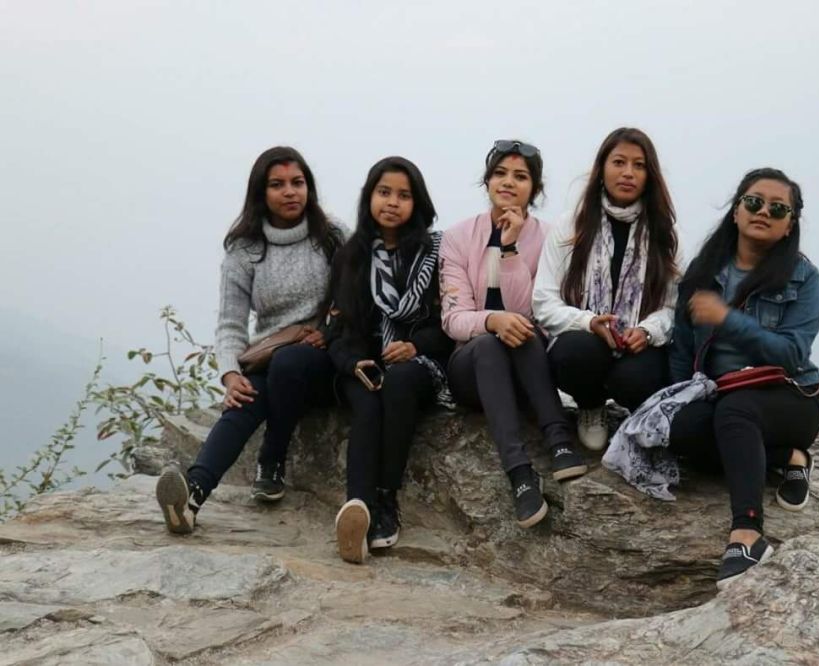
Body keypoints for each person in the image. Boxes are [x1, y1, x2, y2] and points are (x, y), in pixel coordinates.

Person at [156, 146, 345, 534]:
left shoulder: (333, 236)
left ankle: (271, 461)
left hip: (325, 357)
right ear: (261, 192)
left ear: (309, 188)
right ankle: (192, 497)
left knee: (290, 363)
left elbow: (359, 297)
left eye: (297, 182)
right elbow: (230, 324)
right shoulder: (244, 250)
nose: (289, 192)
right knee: (244, 399)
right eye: (277, 185)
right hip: (270, 357)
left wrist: (329, 333)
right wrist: (230, 376)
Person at [668, 167, 819, 587]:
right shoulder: (704, 272)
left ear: (790, 224)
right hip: (722, 395)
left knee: (736, 411)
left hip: (791, 399)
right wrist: (673, 401)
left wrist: (728, 320)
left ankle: (748, 534)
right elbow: (682, 346)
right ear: (736, 210)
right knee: (681, 432)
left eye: (778, 208)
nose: (763, 212)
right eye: (754, 202)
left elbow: (792, 354)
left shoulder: (804, 278)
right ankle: (787, 459)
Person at [440, 140, 587, 529]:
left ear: (534, 189)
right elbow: (454, 319)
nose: (508, 182)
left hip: (528, 365)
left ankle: (559, 441)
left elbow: (534, 312)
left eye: (520, 177)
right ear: (487, 181)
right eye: (500, 174)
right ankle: (520, 472)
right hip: (473, 369)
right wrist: (492, 321)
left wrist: (509, 249)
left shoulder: (550, 237)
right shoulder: (457, 237)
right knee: (491, 342)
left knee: (523, 330)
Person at [327, 156, 453, 564]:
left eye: (403, 195)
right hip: (363, 364)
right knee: (367, 402)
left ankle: (384, 501)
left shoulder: (436, 252)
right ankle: (357, 510)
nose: (393, 203)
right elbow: (338, 328)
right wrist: (354, 364)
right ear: (369, 197)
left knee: (398, 383)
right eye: (384, 192)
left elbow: (449, 322)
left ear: (418, 203)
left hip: (422, 363)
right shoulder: (351, 256)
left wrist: (415, 346)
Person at [533, 127, 681, 450]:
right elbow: (543, 300)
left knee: (637, 378)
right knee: (575, 352)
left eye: (639, 165)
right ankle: (591, 405)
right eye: (619, 162)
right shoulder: (571, 224)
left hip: (637, 345)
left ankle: (635, 418)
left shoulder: (664, 233)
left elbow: (672, 306)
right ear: (601, 168)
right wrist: (588, 322)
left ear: (650, 175)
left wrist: (647, 331)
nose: (628, 173)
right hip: (586, 340)